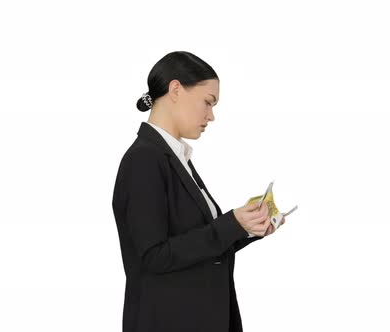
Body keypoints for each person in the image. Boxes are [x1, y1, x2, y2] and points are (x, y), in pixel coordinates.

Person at [111, 51, 285, 332]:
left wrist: (246, 228)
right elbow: (154, 256)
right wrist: (231, 224)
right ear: (176, 89)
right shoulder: (144, 159)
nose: (211, 116)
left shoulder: (176, 157)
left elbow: (197, 243)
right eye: (208, 102)